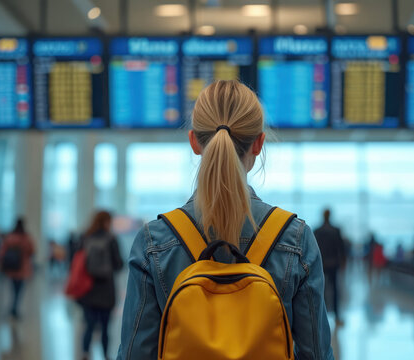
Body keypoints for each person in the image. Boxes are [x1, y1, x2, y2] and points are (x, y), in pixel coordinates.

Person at [117, 80, 333, 359]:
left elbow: (135, 353)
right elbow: (316, 354)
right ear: (259, 143)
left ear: (194, 141)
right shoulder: (295, 238)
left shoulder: (154, 241)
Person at [78, 210, 123, 360]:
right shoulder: (111, 239)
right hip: (106, 290)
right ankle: (105, 355)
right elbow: (118, 264)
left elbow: (77, 262)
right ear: (106, 222)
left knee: (89, 325)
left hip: (88, 289)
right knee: (105, 327)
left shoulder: (85, 238)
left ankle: (85, 353)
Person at [314, 209, 346, 326]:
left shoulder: (317, 231)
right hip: (333, 264)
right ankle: (337, 317)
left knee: (321, 290)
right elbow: (341, 248)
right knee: (335, 291)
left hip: (321, 265)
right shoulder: (336, 230)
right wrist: (343, 262)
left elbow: (314, 249)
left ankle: (320, 316)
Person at [0, 218, 35, 319]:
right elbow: (32, 250)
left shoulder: (10, 237)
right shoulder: (26, 238)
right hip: (22, 268)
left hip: (11, 267)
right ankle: (14, 308)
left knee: (13, 289)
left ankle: (13, 308)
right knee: (19, 290)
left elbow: (2, 251)